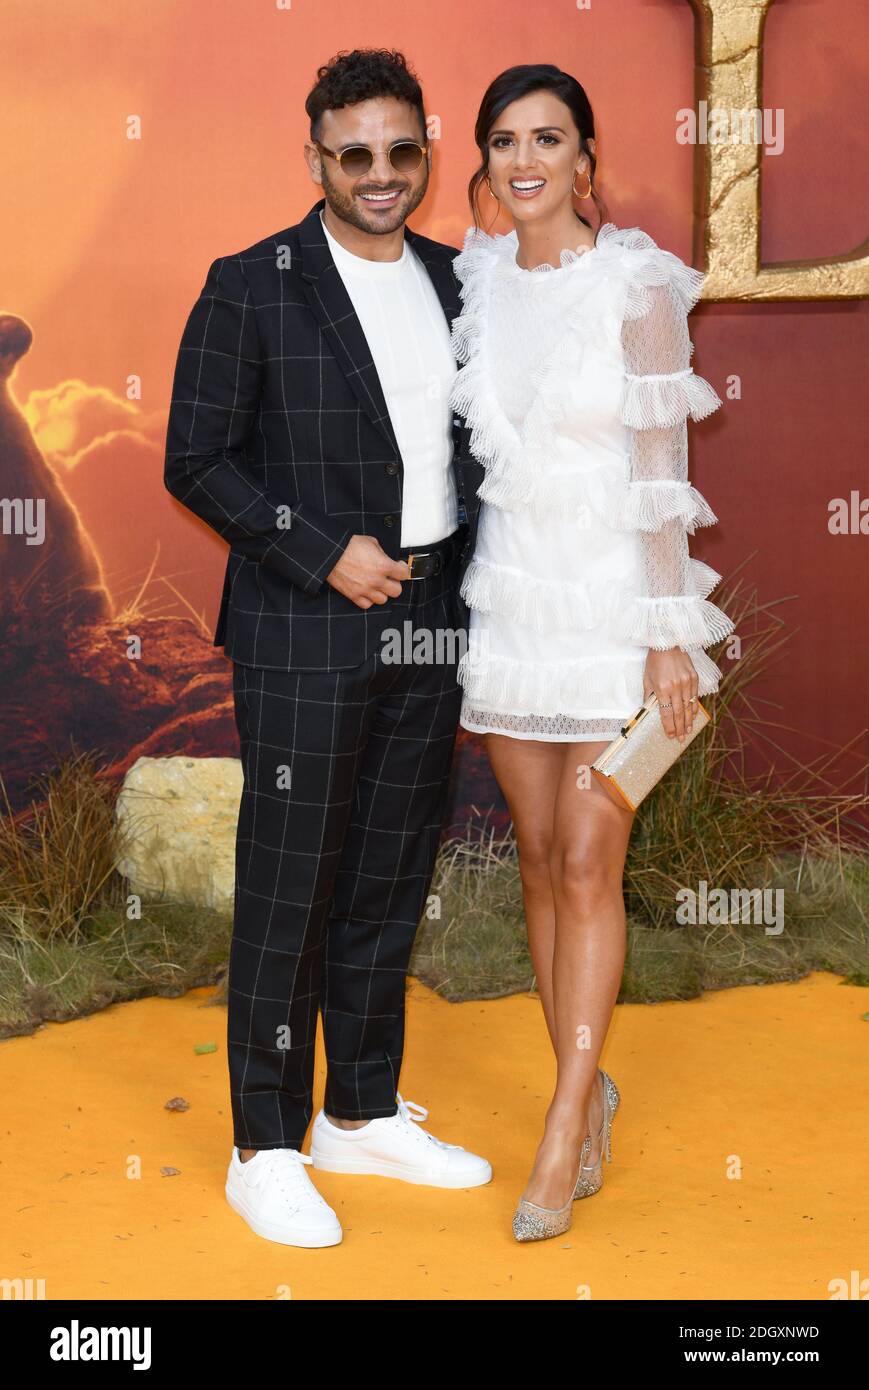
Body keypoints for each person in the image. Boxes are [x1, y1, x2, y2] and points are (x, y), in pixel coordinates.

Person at [164, 48, 491, 1249]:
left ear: (427, 152)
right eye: (353, 153)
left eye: (401, 151)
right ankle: (264, 1143)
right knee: (290, 885)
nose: (380, 174)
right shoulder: (253, 284)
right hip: (307, 621)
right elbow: (194, 459)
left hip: (430, 618)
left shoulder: (462, 282)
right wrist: (318, 549)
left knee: (389, 874)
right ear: (315, 159)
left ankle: (357, 1109)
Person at [447, 64, 735, 1241]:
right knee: (531, 856)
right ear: (486, 160)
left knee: (584, 861)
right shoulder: (470, 281)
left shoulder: (635, 283)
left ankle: (565, 1118)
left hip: (615, 607)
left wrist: (668, 639)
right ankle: (587, 1082)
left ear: (584, 156)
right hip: (514, 604)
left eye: (548, 139)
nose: (525, 161)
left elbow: (661, 474)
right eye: (505, 140)